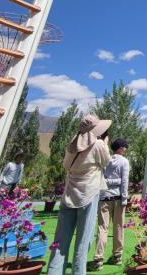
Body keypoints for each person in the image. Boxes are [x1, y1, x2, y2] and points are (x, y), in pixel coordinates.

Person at [47, 115, 111, 275]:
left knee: (60, 242)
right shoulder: (98, 144)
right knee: (83, 242)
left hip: (69, 195)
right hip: (88, 195)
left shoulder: (72, 145)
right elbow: (106, 162)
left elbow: (66, 165)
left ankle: (54, 271)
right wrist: (105, 144)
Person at [88, 138, 130, 271]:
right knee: (119, 227)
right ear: (120, 148)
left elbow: (100, 178)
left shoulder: (105, 160)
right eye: (125, 147)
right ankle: (117, 257)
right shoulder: (124, 162)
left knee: (102, 228)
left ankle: (98, 259)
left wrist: (108, 182)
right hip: (118, 198)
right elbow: (124, 181)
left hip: (104, 197)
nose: (126, 149)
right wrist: (124, 199)